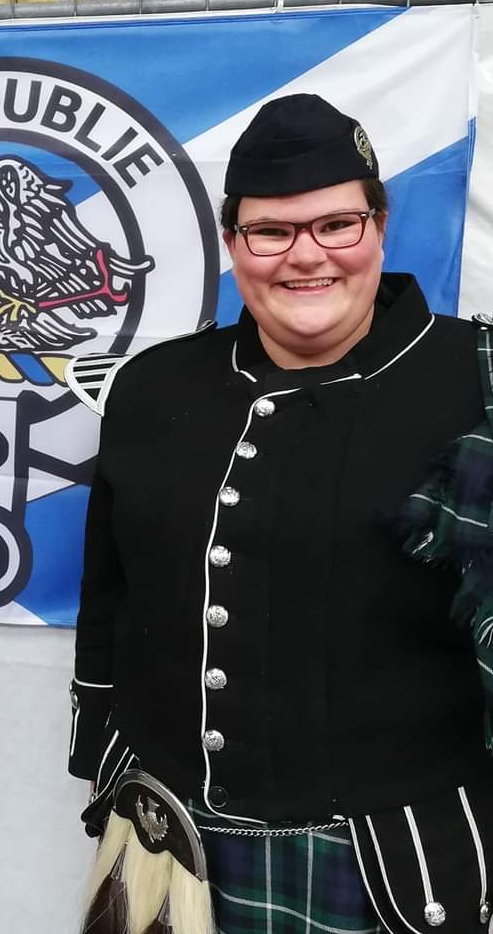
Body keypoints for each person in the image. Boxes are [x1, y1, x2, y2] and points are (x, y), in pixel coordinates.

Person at [66, 94, 493, 934]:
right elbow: (110, 596)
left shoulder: (477, 382)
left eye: (337, 224)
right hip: (166, 843)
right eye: (270, 232)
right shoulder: (154, 388)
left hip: (393, 867)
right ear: (233, 245)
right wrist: (102, 764)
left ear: (379, 225)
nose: (307, 257)